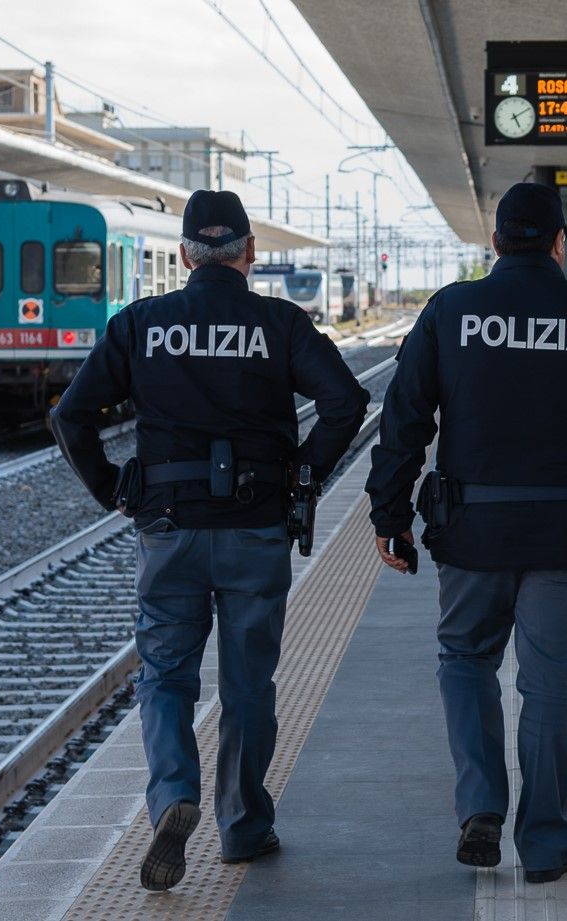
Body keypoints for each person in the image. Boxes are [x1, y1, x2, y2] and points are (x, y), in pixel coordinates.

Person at [366, 182, 567, 883]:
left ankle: (481, 804)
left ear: (494, 244)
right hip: (565, 531)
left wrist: (388, 514)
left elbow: (404, 421)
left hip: (471, 527)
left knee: (464, 659)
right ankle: (545, 844)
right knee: (550, 684)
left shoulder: (451, 310)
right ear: (557, 242)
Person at [51, 190, 370, 891]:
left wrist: (114, 488)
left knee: (165, 674)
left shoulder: (140, 323)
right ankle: (244, 826)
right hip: (256, 527)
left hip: (168, 527)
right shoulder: (280, 323)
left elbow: (71, 414)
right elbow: (348, 400)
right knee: (249, 682)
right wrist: (306, 473)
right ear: (249, 253)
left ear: (187, 253)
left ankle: (173, 798)